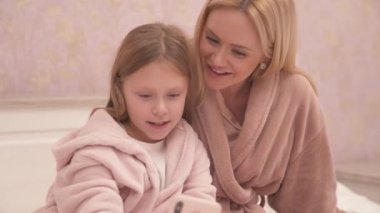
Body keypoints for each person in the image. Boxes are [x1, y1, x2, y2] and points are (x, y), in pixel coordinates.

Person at [35, 23, 216, 213]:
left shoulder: (189, 145)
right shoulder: (96, 152)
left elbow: (200, 202)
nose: (160, 109)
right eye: (145, 96)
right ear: (120, 89)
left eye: (173, 95)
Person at [190, 0, 344, 212]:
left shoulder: (293, 95)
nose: (217, 60)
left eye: (239, 53)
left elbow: (311, 201)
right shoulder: (174, 75)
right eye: (211, 39)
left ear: (268, 52)